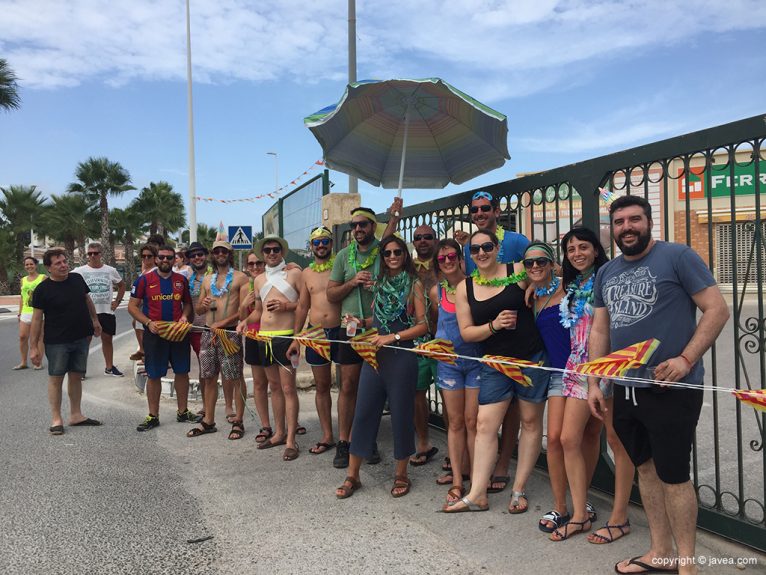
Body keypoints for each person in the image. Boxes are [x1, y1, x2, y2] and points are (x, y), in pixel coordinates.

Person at [588, 195, 729, 575]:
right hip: (625, 388)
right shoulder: (607, 273)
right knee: (645, 470)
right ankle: (660, 553)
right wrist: (594, 382)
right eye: (619, 222)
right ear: (612, 229)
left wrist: (686, 359)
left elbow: (717, 308)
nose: (627, 227)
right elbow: (600, 328)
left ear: (649, 222)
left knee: (673, 475)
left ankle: (687, 566)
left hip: (671, 389)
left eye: (634, 219)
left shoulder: (678, 256)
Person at [444, 229, 547, 513]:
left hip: (530, 358)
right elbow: (466, 333)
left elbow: (549, 275)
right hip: (494, 363)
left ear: (498, 247)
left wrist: (535, 285)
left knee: (529, 422)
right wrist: (494, 326)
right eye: (475, 250)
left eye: (487, 247)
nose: (481, 253)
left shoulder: (518, 269)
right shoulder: (466, 287)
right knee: (485, 425)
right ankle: (478, 493)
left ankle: (519, 490)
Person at [335, 235, 428, 499]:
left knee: (401, 414)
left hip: (401, 355)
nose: (392, 257)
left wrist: (394, 337)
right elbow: (378, 320)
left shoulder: (414, 284)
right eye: (387, 253)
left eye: (397, 252)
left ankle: (401, 474)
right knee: (363, 412)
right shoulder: (380, 284)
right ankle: (353, 475)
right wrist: (361, 322)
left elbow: (423, 325)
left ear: (405, 254)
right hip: (375, 357)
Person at [522, 238, 602, 540]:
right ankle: (560, 506)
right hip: (557, 374)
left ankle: (584, 498)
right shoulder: (528, 294)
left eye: (541, 261)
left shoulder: (567, 287)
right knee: (555, 438)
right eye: (529, 263)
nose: (535, 267)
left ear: (553, 263)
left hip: (583, 368)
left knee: (589, 435)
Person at [456, 190, 530, 493]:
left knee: (520, 412)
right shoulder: (468, 249)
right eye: (475, 210)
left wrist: (534, 292)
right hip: (491, 346)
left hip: (525, 345)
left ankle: (505, 467)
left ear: (496, 211)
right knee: (490, 417)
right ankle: (479, 489)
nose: (480, 213)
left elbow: (540, 270)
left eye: (485, 208)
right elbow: (468, 279)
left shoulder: (517, 241)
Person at [326, 206, 397, 468]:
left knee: (375, 388)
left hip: (378, 329)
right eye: (354, 225)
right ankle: (344, 441)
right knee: (348, 386)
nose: (357, 229)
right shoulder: (344, 256)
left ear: (372, 226)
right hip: (350, 330)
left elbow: (399, 284)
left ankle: (367, 439)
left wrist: (377, 286)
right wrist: (352, 282)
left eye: (363, 224)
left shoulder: (384, 251)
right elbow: (331, 295)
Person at [238, 235, 304, 461]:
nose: (272, 253)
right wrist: (245, 321)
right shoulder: (259, 280)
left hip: (285, 337)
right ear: (263, 253)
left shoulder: (295, 274)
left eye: (276, 249)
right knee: (273, 387)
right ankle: (278, 432)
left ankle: (291, 440)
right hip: (264, 338)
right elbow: (258, 310)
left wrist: (286, 306)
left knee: (288, 389)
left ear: (282, 251)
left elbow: (305, 304)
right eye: (267, 250)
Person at [428, 239, 480, 503]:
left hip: (475, 362)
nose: (447, 261)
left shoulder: (476, 285)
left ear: (461, 258)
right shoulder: (435, 292)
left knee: (473, 423)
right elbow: (437, 325)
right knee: (456, 422)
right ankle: (458, 480)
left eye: (451, 256)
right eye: (442, 258)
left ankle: (475, 479)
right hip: (449, 364)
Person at [29, 248, 102, 435]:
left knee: (76, 376)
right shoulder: (42, 290)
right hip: (56, 341)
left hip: (81, 337)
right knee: (56, 378)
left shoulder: (77, 279)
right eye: (58, 263)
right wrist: (34, 348)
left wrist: (95, 321)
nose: (63, 265)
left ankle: (76, 415)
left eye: (64, 261)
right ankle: (56, 419)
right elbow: (36, 320)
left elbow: (87, 300)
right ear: (48, 268)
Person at [128, 245, 194, 432]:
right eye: (162, 257)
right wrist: (148, 322)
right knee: (154, 374)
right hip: (155, 333)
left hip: (177, 333)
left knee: (182, 372)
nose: (165, 261)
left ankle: (183, 412)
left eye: (169, 258)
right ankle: (153, 415)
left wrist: (184, 316)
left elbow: (187, 304)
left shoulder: (181, 280)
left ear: (175, 260)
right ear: (156, 259)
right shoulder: (144, 280)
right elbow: (133, 307)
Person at [287, 226, 340, 455]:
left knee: (348, 386)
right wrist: (296, 337)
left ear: (331, 245)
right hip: (316, 333)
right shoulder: (306, 273)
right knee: (322, 386)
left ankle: (350, 435)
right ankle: (327, 435)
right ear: (311, 246)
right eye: (316, 242)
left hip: (341, 332)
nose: (321, 246)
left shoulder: (340, 267)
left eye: (325, 241)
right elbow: (302, 306)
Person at [188, 240, 248, 440]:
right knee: (209, 377)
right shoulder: (207, 280)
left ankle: (238, 421)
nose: (220, 253)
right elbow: (198, 310)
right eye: (217, 251)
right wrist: (203, 306)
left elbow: (243, 311)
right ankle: (209, 421)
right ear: (212, 254)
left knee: (235, 377)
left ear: (229, 253)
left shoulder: (240, 278)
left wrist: (222, 324)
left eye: (224, 250)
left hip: (229, 333)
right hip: (208, 332)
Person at [408, 224, 440, 467]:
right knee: (417, 395)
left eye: (427, 237)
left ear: (435, 239)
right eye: (417, 238)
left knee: (450, 398)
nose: (422, 241)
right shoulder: (408, 268)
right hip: (417, 340)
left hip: (445, 340)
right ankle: (423, 443)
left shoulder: (446, 262)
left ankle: (456, 451)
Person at [73, 242, 126, 377]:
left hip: (106, 311)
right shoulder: (80, 271)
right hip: (88, 312)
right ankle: (81, 370)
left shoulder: (110, 270)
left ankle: (109, 367)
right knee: (86, 340)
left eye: (95, 253)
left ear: (101, 254)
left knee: (107, 339)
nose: (92, 256)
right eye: (90, 253)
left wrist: (117, 301)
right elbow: (67, 281)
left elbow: (121, 285)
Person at [239, 250, 275, 443]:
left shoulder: (274, 279)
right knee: (260, 384)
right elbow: (240, 315)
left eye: (258, 263)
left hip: (273, 335)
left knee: (280, 385)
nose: (255, 267)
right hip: (254, 336)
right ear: (246, 266)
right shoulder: (246, 288)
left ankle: (287, 422)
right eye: (251, 264)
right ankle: (265, 425)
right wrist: (244, 304)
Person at [185, 242, 210, 420]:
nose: (197, 258)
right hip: (195, 330)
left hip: (217, 328)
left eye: (200, 254)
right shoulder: (188, 280)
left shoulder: (217, 276)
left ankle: (230, 407)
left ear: (206, 255)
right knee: (203, 370)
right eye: (193, 256)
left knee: (226, 370)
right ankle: (206, 404)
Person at [15, 256, 46, 370]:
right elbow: (22, 298)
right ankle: (23, 362)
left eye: (31, 264)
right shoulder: (23, 280)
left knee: (39, 338)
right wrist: (19, 313)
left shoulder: (43, 278)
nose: (29, 266)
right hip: (26, 312)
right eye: (27, 264)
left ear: (36, 265)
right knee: (23, 337)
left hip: (39, 313)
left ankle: (38, 362)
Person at [129, 243, 158, 362]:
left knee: (147, 333)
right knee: (137, 324)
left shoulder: (155, 271)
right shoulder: (145, 272)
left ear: (155, 257)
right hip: (140, 307)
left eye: (149, 256)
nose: (146, 258)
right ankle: (143, 351)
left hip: (149, 308)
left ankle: (147, 355)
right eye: (143, 256)